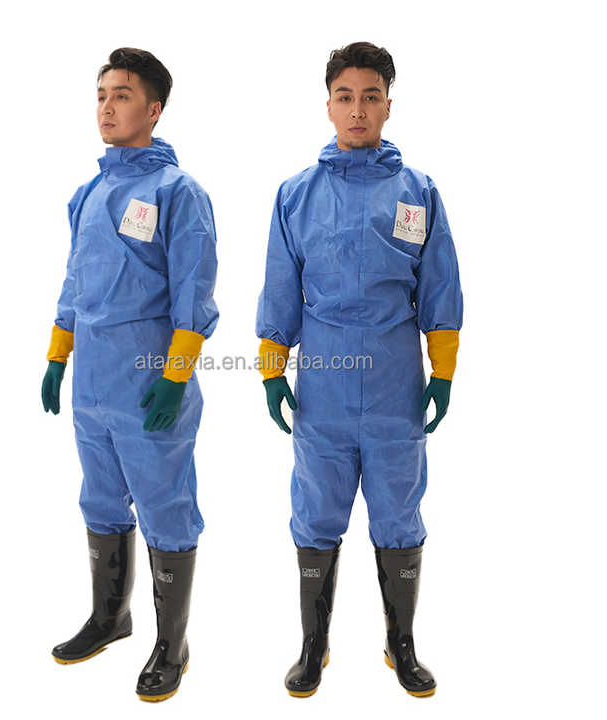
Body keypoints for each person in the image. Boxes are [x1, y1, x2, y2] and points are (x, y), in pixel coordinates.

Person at [256, 41, 463, 698]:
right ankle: (312, 644)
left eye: (370, 96)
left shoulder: (418, 193)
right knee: (316, 510)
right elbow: (280, 288)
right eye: (345, 96)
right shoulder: (297, 195)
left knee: (399, 510)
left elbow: (440, 286)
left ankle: (401, 643)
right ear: (328, 106)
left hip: (396, 378)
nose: (357, 109)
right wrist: (271, 368)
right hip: (322, 380)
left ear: (388, 106)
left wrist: (443, 370)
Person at [41, 47, 218, 703]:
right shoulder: (88, 194)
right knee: (100, 498)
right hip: (93, 384)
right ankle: (110, 616)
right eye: (101, 95)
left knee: (165, 507)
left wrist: (175, 376)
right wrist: (57, 355)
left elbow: (194, 293)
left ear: (154, 108)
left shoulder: (178, 193)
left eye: (122, 95)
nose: (107, 108)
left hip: (148, 382)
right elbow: (75, 282)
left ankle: (173, 643)